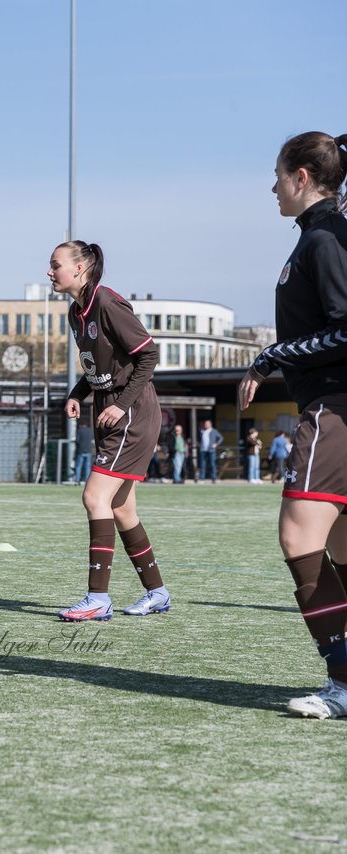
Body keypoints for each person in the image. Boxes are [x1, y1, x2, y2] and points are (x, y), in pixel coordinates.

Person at [240, 130, 347, 719]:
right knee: (339, 547)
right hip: (334, 406)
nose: (272, 187)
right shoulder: (318, 235)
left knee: (299, 538)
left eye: (278, 176)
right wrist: (272, 354)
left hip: (334, 409)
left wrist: (277, 355)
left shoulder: (326, 240)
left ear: (301, 178)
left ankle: (343, 681)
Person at [49, 241, 172, 621]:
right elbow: (97, 368)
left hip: (131, 413)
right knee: (121, 508)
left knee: (93, 497)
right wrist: (77, 393)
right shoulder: (75, 312)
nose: (50, 272)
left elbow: (148, 356)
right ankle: (157, 592)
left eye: (55, 265)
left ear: (80, 268)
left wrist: (121, 404)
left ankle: (97, 598)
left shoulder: (107, 303)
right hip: (107, 409)